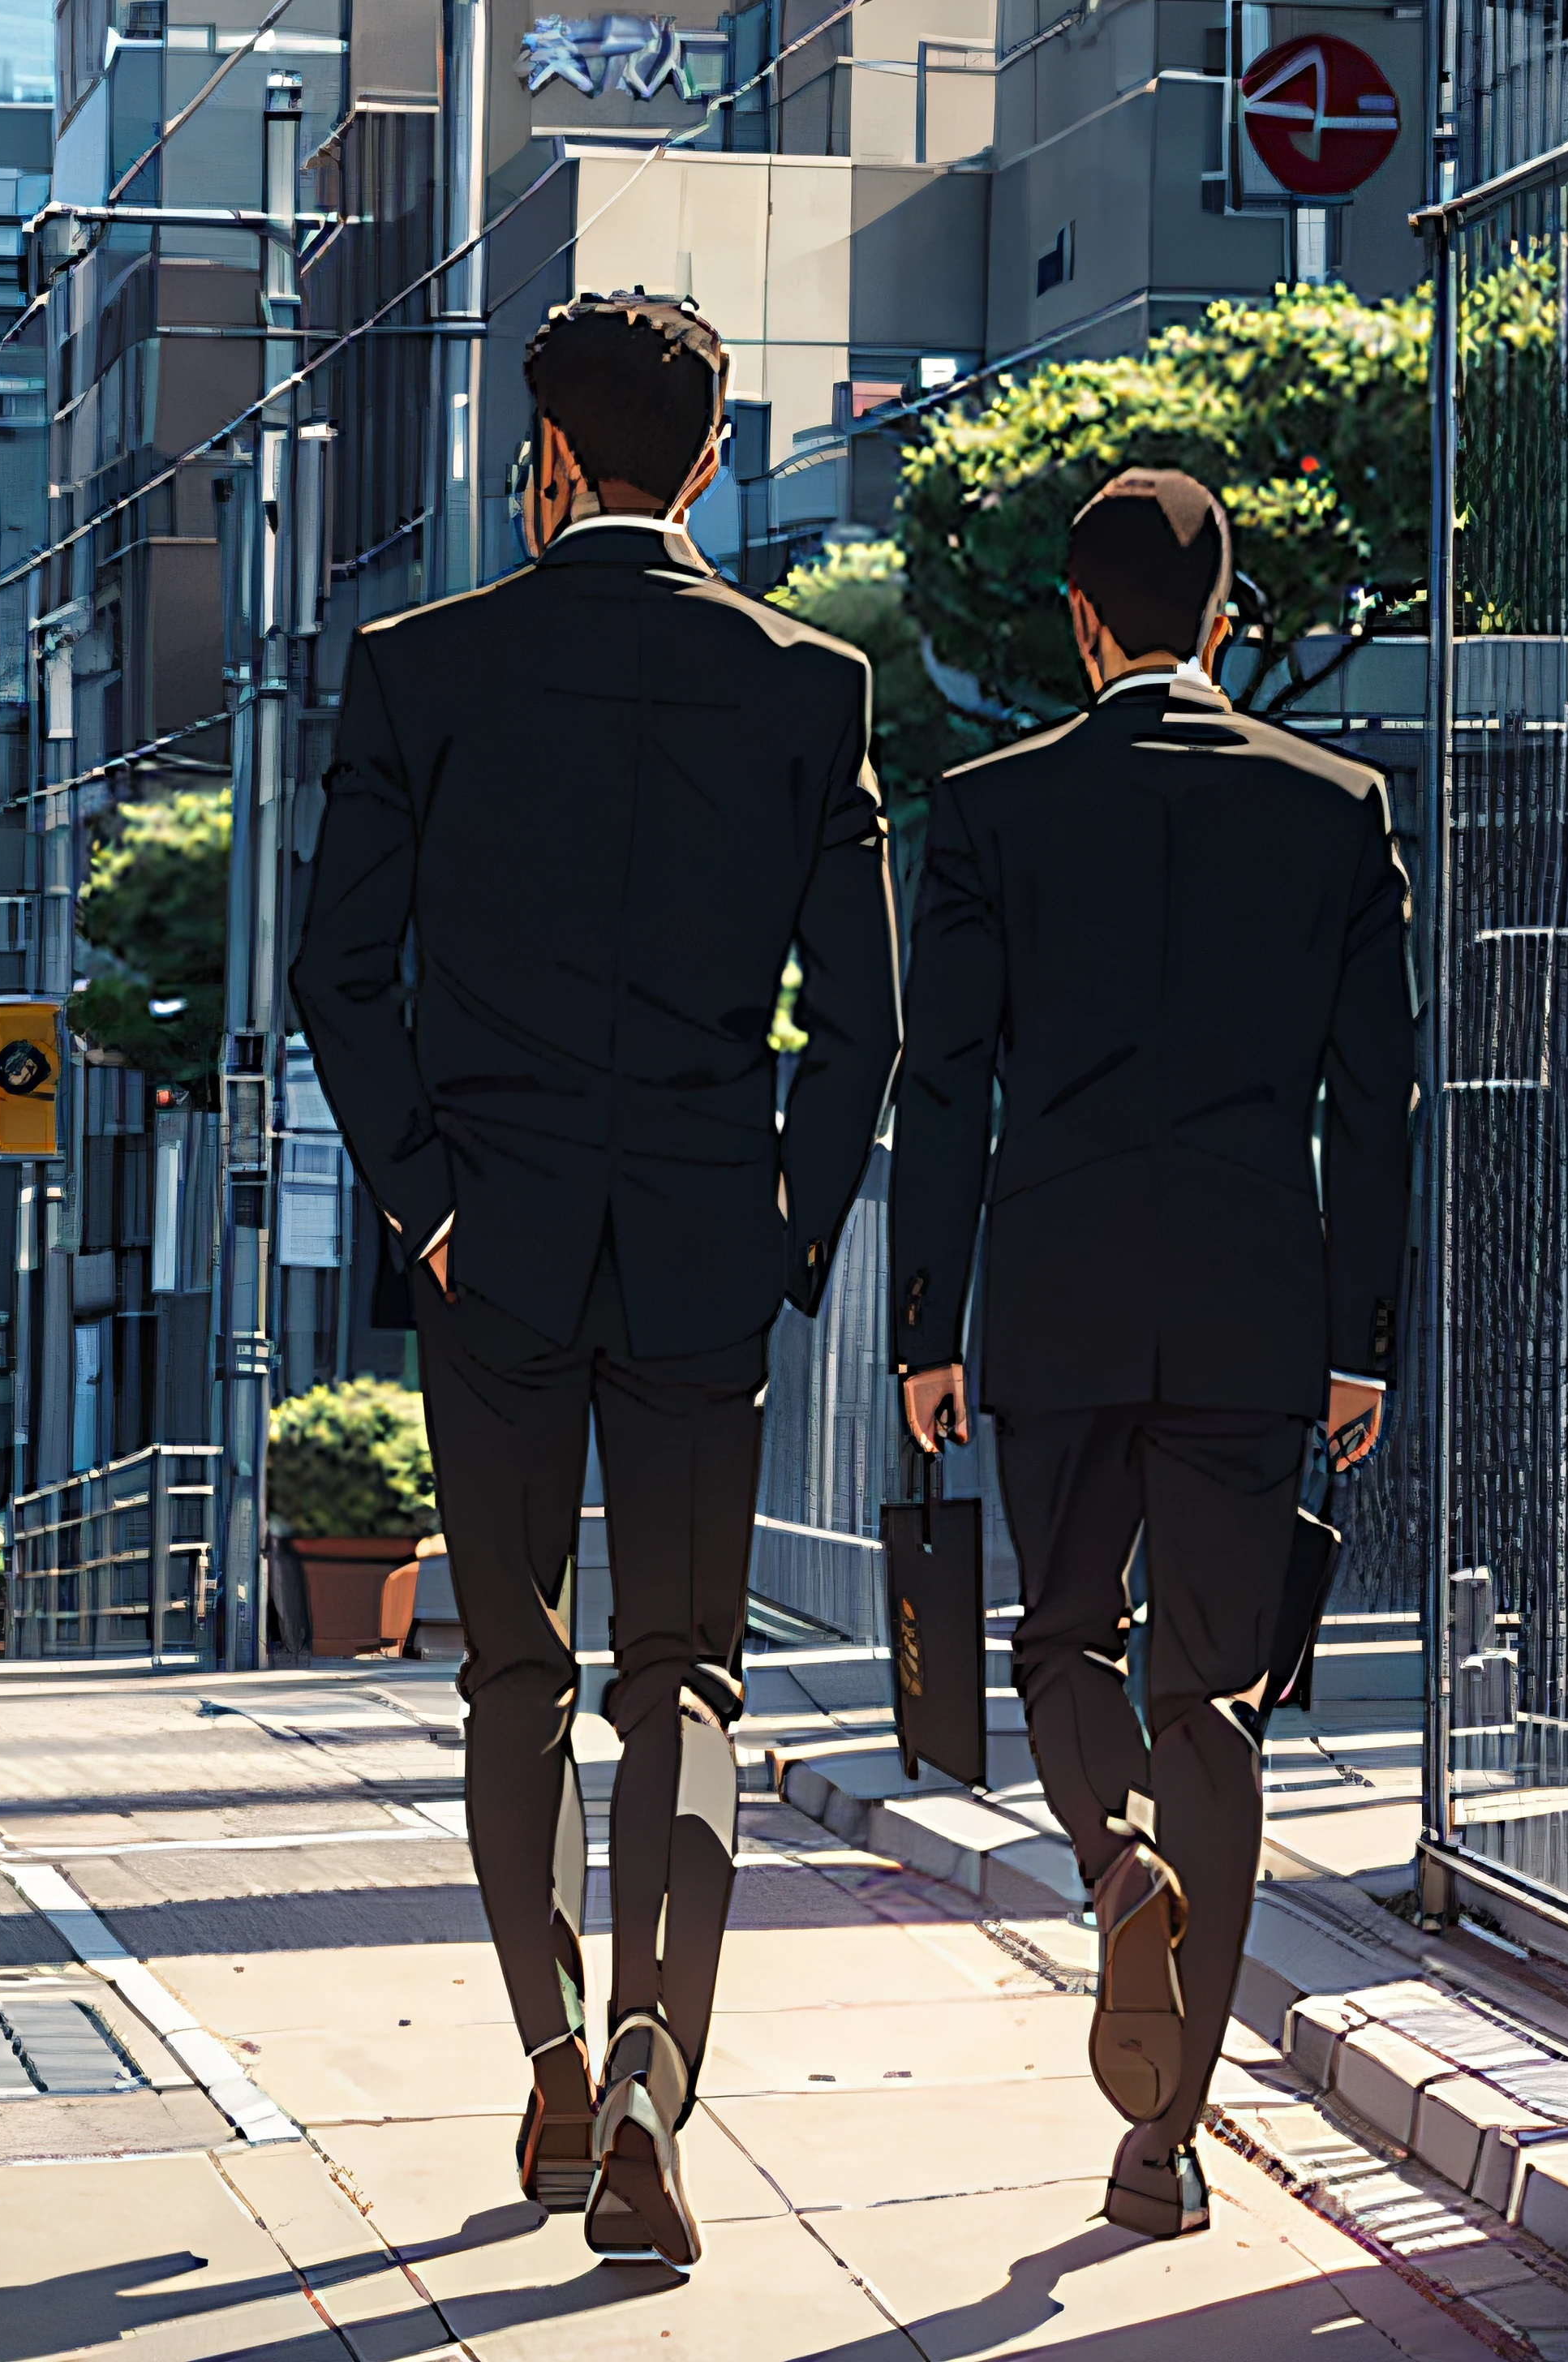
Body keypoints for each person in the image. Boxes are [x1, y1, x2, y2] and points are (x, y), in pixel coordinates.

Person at [290, 290, 900, 2270]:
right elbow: (867, 1019)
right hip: (705, 1236)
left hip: (497, 1243)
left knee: (513, 1668)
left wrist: (429, 1198)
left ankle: (555, 2043)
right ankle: (658, 2065)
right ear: (709, 455)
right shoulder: (810, 684)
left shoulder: (419, 667)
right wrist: (787, 1222)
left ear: (547, 454)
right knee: (688, 1680)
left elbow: (333, 971)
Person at [892, 468, 1412, 2240]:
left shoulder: (984, 814)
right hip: (1257, 1311)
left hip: (1048, 1299)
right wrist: (1357, 1342)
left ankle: (1113, 1869)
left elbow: (941, 1087)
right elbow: (1378, 1099)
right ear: (1218, 620)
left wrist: (920, 1329)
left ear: (1080, 624)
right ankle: (1163, 2138)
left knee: (1057, 1639)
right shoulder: (1333, 805)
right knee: (1211, 1698)